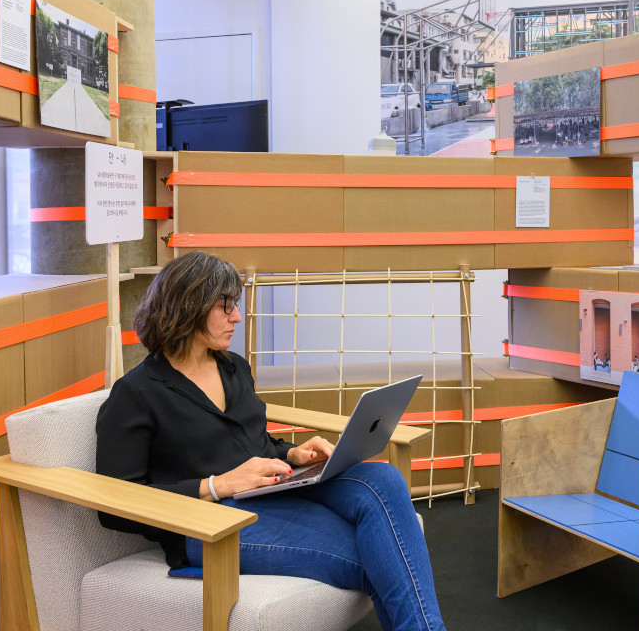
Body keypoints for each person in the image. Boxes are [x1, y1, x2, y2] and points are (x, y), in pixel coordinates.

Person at [95, 251, 446, 631]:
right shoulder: (136, 394)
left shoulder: (233, 367)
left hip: (273, 491)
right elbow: (115, 506)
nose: (237, 317)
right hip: (213, 525)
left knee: (383, 479)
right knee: (380, 555)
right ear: (188, 307)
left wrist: (293, 453)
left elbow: (251, 445)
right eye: (225, 307)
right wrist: (218, 485)